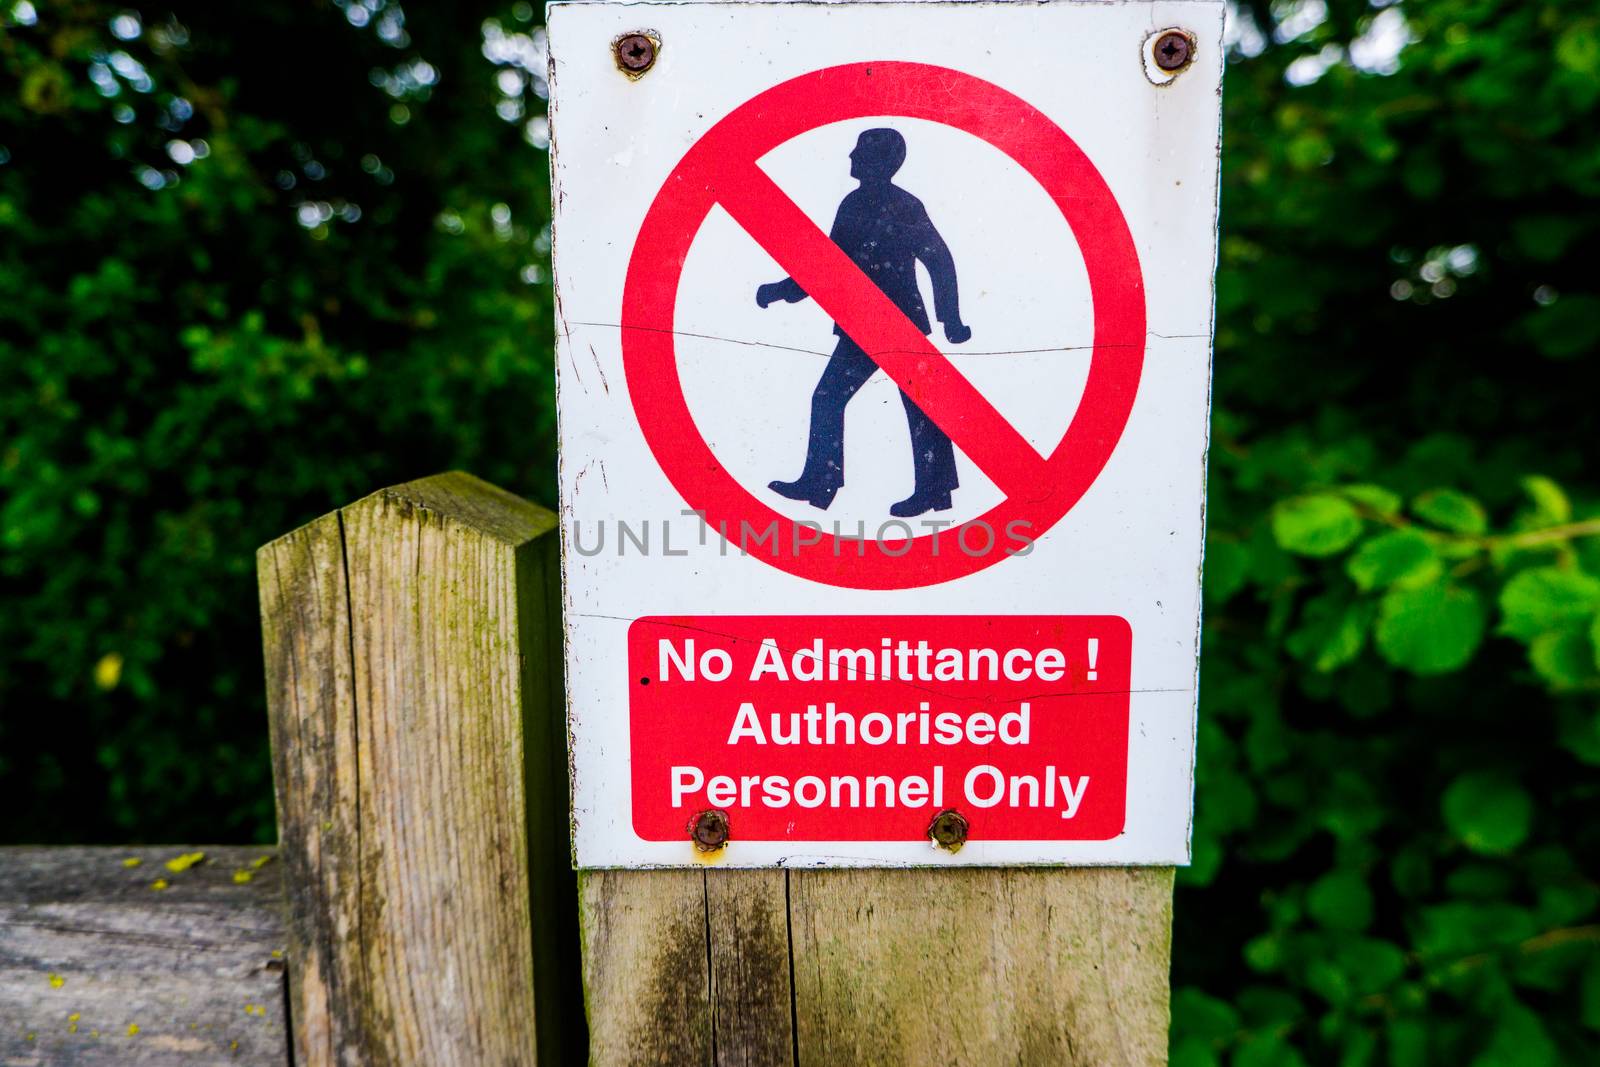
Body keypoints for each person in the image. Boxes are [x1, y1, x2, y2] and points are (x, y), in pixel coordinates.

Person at [756, 127, 972, 518]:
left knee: (920, 405)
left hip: (897, 323)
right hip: (864, 321)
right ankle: (822, 483)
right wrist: (782, 290)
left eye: (860, 153)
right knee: (833, 397)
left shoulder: (902, 206)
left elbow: (938, 258)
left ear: (879, 162)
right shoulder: (853, 205)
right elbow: (826, 264)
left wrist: (951, 319)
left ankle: (930, 491)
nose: (851, 158)